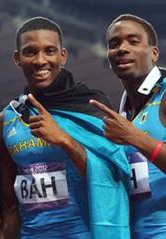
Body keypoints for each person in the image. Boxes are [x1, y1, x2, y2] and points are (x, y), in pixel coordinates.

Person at [0, 17, 131, 239]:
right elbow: (9, 207)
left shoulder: (91, 107)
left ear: (62, 56)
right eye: (30, 52)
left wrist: (64, 140)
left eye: (49, 51)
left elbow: (115, 177)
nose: (40, 61)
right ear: (17, 58)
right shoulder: (6, 121)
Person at [90, 14, 166, 238]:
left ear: (154, 52)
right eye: (114, 44)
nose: (122, 49)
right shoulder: (124, 109)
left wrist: (135, 137)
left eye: (133, 41)